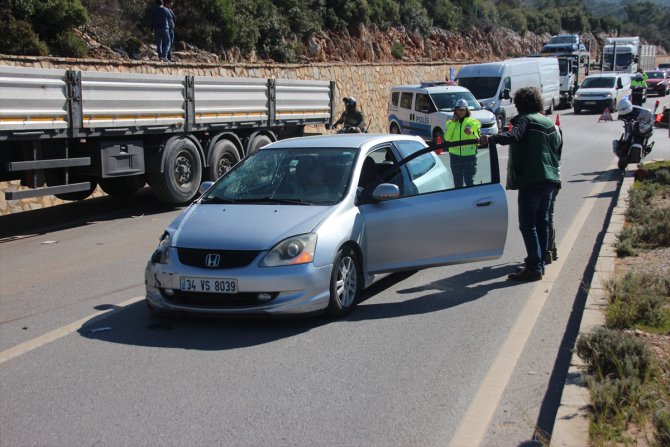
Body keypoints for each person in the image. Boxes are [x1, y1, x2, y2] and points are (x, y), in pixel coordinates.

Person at [479, 87, 561, 282]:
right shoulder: (547, 121)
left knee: (527, 225)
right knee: (542, 222)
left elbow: (514, 136)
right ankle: (539, 261)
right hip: (549, 180)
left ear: (520, 104)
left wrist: (491, 138)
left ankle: (534, 267)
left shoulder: (525, 119)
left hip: (531, 180)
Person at [445, 98, 480, 188]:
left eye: (462, 109)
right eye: (458, 109)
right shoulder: (450, 123)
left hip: (469, 156)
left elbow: (477, 138)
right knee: (458, 183)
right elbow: (447, 138)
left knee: (470, 182)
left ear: (466, 110)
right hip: (455, 156)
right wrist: (453, 123)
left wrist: (471, 132)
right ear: (455, 110)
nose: (460, 111)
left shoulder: (474, 122)